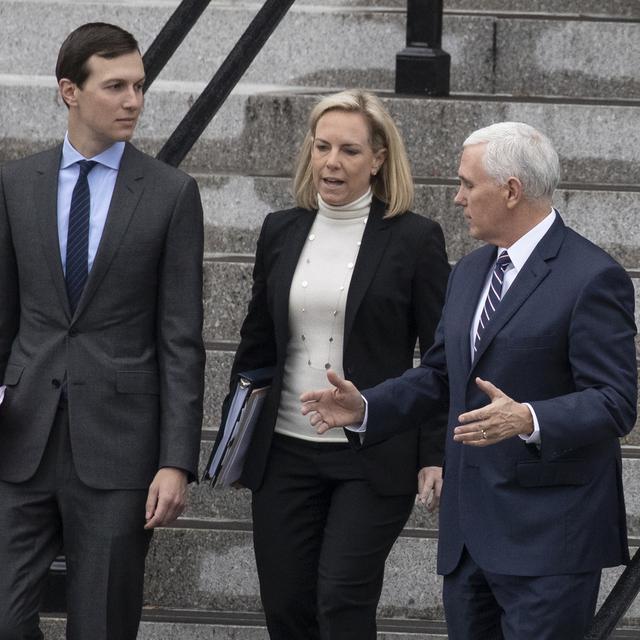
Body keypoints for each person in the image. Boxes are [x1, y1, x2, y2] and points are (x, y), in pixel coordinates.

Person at [301, 121, 637, 640]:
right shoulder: (471, 270)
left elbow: (616, 401)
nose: (457, 199)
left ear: (510, 191)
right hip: (469, 540)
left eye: (466, 184)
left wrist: (528, 417)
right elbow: (440, 373)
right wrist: (367, 407)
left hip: (548, 542)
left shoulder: (592, 277)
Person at [219, 89, 450, 638]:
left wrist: (434, 452)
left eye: (349, 150)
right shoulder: (281, 229)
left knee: (342, 602)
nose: (332, 161)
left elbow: (440, 358)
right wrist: (235, 436)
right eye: (322, 146)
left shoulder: (415, 239)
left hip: (371, 457)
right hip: (285, 454)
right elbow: (257, 345)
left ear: (378, 160)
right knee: (287, 607)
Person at [0, 23, 205, 639]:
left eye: (139, 86)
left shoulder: (171, 194)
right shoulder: (16, 184)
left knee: (103, 627)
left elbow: (181, 338)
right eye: (115, 86)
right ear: (70, 91)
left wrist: (176, 461)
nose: (133, 101)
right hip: (21, 442)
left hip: (120, 454)